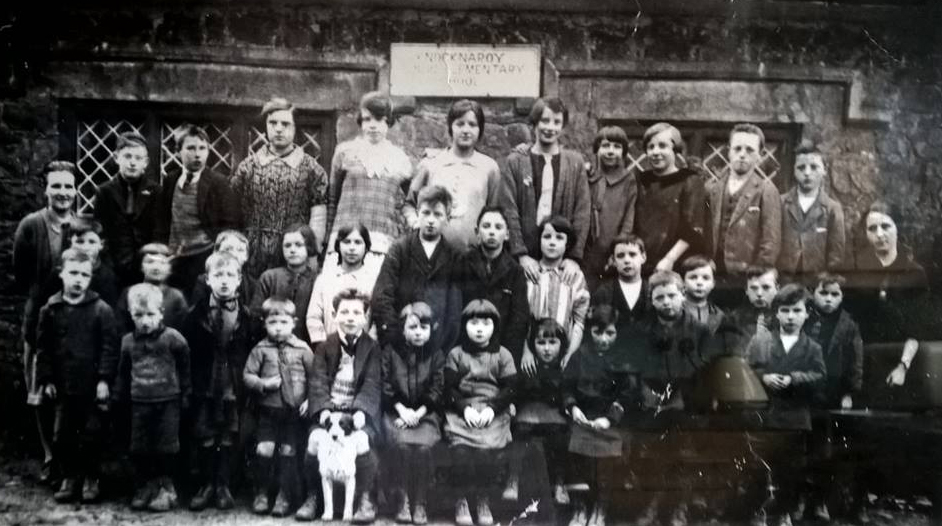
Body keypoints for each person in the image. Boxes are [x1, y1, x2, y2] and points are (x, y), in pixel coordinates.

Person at [35, 249, 118, 504]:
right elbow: (43, 348)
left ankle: (91, 478)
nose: (78, 279)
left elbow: (108, 347)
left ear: (91, 277)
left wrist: (104, 380)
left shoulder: (100, 309)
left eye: (84, 274)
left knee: (92, 433)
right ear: (61, 274)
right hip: (63, 385)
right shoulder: (51, 308)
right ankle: (70, 477)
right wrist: (46, 379)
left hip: (92, 386)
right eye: (73, 273)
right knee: (63, 435)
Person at [13, 160, 78, 484]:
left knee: (68, 388)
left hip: (73, 318)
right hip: (40, 316)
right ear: (46, 189)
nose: (63, 193)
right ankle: (50, 456)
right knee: (40, 386)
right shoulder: (31, 225)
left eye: (68, 186)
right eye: (57, 186)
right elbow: (22, 273)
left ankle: (70, 457)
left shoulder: (82, 225)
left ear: (76, 190)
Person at [182, 251, 261, 511]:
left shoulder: (247, 317)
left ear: (239, 280)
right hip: (205, 384)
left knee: (229, 434)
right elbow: (187, 351)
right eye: (218, 275)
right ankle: (207, 484)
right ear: (207, 279)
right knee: (205, 433)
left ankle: (224, 485)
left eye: (230, 275)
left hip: (232, 385)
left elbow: (253, 352)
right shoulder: (195, 315)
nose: (224, 281)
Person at [299, 288, 382, 524]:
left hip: (355, 414)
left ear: (365, 317)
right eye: (344, 311)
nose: (350, 317)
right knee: (315, 441)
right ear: (334, 315)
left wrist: (361, 411)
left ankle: (366, 497)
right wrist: (323, 408)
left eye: (357, 312)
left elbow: (373, 382)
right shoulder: (325, 346)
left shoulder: (372, 348)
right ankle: (313, 495)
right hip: (329, 411)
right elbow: (318, 380)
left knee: (363, 441)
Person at [745, 284, 825, 526]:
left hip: (795, 418)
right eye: (785, 310)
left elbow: (820, 376)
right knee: (758, 464)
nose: (791, 316)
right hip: (765, 416)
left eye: (797, 311)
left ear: (807, 314)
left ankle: (783, 512)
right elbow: (746, 370)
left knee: (790, 470)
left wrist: (794, 379)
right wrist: (764, 377)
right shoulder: (761, 342)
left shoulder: (812, 347)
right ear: (776, 313)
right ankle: (757, 510)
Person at [114, 283, 191, 512]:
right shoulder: (128, 341)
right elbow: (122, 371)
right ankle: (146, 486)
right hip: (140, 402)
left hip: (168, 401)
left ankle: (166, 486)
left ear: (160, 313)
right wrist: (118, 395)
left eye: (150, 315)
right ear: (130, 314)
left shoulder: (173, 338)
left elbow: (185, 365)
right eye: (138, 315)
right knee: (140, 446)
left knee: (166, 446)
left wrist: (186, 392)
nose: (145, 321)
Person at [232, 97, 328, 277]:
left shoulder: (312, 169)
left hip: (293, 254)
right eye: (272, 123)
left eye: (285, 124)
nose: (278, 128)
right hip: (252, 255)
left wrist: (312, 253)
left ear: (295, 127)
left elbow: (318, 217)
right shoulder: (247, 167)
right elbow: (234, 212)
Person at [562, 304, 639, 526]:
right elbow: (567, 387)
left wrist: (609, 419)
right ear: (590, 331)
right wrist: (573, 407)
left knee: (606, 463)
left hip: (609, 421)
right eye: (598, 332)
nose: (603, 339)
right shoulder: (580, 355)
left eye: (610, 333)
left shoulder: (624, 359)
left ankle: (599, 509)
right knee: (576, 456)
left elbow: (628, 394)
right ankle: (580, 508)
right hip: (584, 418)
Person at [443, 300, 517, 526]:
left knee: (487, 454)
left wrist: (492, 410)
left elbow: (510, 388)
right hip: (462, 410)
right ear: (465, 325)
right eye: (473, 322)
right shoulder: (456, 354)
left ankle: (483, 499)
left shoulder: (502, 354)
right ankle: (461, 498)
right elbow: (449, 388)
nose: (479, 328)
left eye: (486, 323)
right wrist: (464, 408)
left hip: (492, 411)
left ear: (494, 326)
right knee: (462, 453)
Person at [500, 97, 591, 281]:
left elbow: (582, 212)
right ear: (534, 123)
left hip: (561, 261)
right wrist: (521, 255)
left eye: (557, 122)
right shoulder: (516, 161)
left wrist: (573, 257)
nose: (550, 127)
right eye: (545, 120)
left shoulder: (574, 162)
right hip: (524, 260)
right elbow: (509, 209)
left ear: (563, 126)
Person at [325, 91, 413, 276]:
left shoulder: (401, 159)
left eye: (379, 119)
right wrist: (329, 240)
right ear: (361, 122)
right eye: (367, 119)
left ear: (388, 122)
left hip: (382, 242)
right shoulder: (344, 152)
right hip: (346, 240)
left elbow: (407, 202)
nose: (372, 126)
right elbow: (333, 198)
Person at [848, 200, 933, 386]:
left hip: (905, 362)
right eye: (872, 229)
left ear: (897, 228)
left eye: (885, 226)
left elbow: (918, 326)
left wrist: (903, 365)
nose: (879, 234)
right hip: (864, 362)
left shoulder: (914, 273)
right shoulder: (856, 272)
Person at [243, 298, 314, 517]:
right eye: (273, 323)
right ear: (264, 323)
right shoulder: (260, 349)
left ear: (294, 322)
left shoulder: (302, 349)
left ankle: (285, 494)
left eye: (284, 322)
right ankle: (262, 492)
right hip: (268, 411)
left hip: (293, 413)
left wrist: (309, 400)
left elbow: (316, 378)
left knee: (288, 451)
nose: (278, 328)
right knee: (264, 449)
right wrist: (263, 384)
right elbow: (247, 375)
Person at [802, 272, 863, 522]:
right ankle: (800, 502)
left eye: (834, 294)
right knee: (806, 445)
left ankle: (821, 502)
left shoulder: (848, 325)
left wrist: (849, 392)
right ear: (813, 293)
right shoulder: (804, 318)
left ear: (842, 297)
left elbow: (855, 361)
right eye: (823, 293)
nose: (828, 299)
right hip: (806, 391)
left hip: (834, 393)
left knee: (830, 449)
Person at [373, 185, 463, 353]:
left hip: (437, 348)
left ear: (447, 218)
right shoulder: (400, 249)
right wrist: (394, 339)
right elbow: (383, 296)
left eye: (437, 214)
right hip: (400, 343)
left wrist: (444, 348)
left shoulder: (453, 256)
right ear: (417, 213)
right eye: (426, 213)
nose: (430, 220)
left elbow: (454, 310)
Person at [155, 124, 239, 300]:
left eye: (202, 148)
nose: (197, 154)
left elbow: (230, 224)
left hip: (203, 257)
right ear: (178, 151)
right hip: (174, 259)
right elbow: (162, 220)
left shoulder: (218, 183)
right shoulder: (171, 180)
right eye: (191, 148)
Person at [405, 99, 501, 252]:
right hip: (433, 254)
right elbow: (409, 204)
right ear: (450, 127)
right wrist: (417, 224)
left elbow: (494, 213)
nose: (466, 130)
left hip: (472, 256)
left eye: (472, 125)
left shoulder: (489, 168)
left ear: (480, 129)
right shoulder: (431, 164)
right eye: (460, 124)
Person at [381, 302, 445, 526]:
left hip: (424, 414)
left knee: (424, 448)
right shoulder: (390, 352)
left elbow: (437, 388)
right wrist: (402, 409)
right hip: (396, 412)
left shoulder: (436, 355)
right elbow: (386, 384)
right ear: (403, 328)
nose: (419, 333)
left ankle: (420, 500)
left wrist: (418, 412)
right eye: (413, 327)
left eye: (424, 328)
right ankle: (402, 499)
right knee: (402, 447)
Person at [504, 318, 570, 506]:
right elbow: (516, 389)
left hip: (553, 412)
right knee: (520, 430)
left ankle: (559, 483)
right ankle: (513, 478)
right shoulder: (528, 364)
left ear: (561, 344)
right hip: (529, 411)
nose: (547, 349)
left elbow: (566, 391)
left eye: (552, 343)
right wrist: (513, 403)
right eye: (541, 343)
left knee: (559, 435)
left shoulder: (563, 365)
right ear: (533, 345)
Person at [454, 206, 530, 361]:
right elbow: (454, 310)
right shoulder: (462, 263)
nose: (492, 232)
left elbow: (519, 319)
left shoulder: (515, 272)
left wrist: (504, 357)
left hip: (499, 353)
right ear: (477, 232)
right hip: (465, 349)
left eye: (498, 227)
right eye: (486, 226)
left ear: (507, 234)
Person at [707, 124, 781, 275]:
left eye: (749, 150)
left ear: (760, 155)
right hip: (711, 271)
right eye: (737, 148)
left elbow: (771, 242)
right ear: (729, 151)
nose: (742, 154)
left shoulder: (766, 190)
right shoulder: (712, 188)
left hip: (745, 275)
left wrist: (757, 273)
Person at [634, 123, 706, 274]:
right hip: (641, 262)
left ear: (675, 150)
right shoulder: (641, 180)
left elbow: (693, 228)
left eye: (662, 146)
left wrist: (669, 259)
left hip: (674, 263)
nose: (655, 152)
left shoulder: (690, 181)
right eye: (651, 147)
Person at [522, 216, 590, 373]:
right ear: (539, 240)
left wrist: (570, 355)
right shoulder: (529, 273)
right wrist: (526, 351)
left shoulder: (575, 277)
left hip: (563, 355)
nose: (552, 242)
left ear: (567, 244)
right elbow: (520, 318)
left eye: (559, 238)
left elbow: (579, 321)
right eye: (547, 237)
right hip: (531, 355)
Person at [93, 131, 161, 285]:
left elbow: (159, 231)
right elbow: (100, 231)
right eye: (127, 156)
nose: (132, 163)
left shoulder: (155, 191)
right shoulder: (105, 192)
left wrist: (149, 262)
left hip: (146, 266)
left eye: (138, 158)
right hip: (114, 266)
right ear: (117, 158)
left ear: (146, 162)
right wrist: (108, 265)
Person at [778, 143, 845, 276]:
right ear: (794, 170)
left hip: (816, 280)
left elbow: (836, 252)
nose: (807, 173)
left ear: (824, 170)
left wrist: (827, 277)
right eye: (801, 167)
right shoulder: (780, 203)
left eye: (814, 167)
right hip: (784, 278)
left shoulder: (832, 208)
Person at [307, 222, 379, 344]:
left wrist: (369, 346)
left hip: (364, 352)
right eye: (346, 242)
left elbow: (379, 318)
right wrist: (324, 345)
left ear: (366, 247)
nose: (352, 247)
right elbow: (313, 317)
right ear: (338, 246)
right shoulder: (324, 279)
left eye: (357, 242)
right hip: (329, 348)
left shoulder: (373, 281)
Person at [584, 126, 636, 289]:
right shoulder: (588, 176)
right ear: (597, 149)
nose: (610, 151)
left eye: (617, 147)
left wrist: (618, 251)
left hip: (611, 250)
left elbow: (629, 217)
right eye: (605, 146)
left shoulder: (628, 180)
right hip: (586, 251)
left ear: (623, 152)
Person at [258, 223, 320, 342]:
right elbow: (257, 315)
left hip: (306, 347)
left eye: (298, 245)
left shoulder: (317, 281)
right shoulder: (269, 277)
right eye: (287, 245)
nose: (292, 250)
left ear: (309, 247)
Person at [115, 243, 189, 334]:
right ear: (141, 266)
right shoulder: (128, 293)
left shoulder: (176, 297)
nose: (156, 267)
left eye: (162, 262)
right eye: (150, 262)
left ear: (170, 268)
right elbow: (120, 327)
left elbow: (184, 330)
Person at [591, 234, 650, 343]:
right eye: (620, 256)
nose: (626, 260)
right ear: (613, 260)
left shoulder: (651, 291)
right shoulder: (603, 293)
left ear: (643, 257)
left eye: (632, 255)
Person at [679, 255, 725, 335]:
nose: (699, 283)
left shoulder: (719, 315)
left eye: (706, 278)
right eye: (693, 277)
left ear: (713, 284)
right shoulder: (676, 311)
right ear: (683, 282)